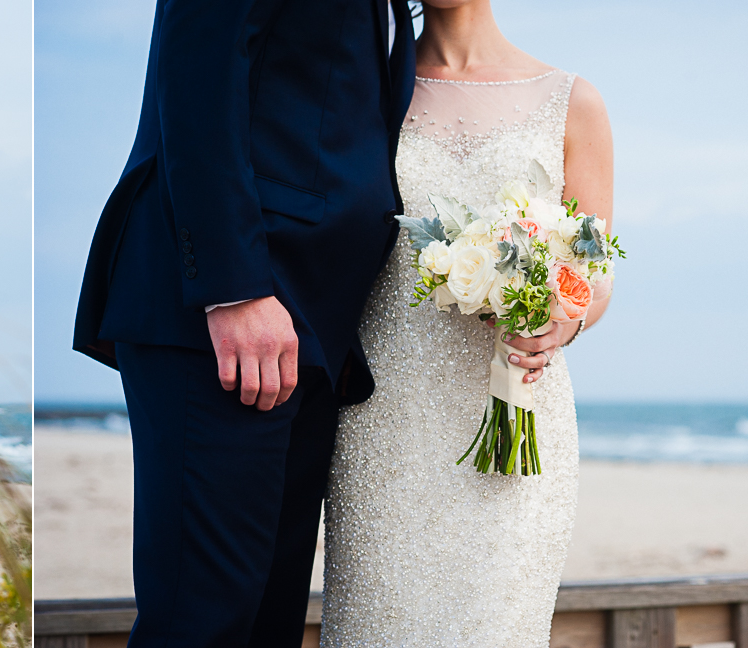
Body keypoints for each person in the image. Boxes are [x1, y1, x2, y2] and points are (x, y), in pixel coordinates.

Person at [72, 1, 416, 646]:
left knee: (267, 624)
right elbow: (197, 72)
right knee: (203, 622)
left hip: (314, 322)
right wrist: (235, 288)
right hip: (228, 308)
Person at [319, 1, 614, 645]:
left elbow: (597, 269)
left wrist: (560, 322)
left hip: (516, 418)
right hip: (385, 429)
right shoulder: (360, 93)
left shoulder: (571, 100)